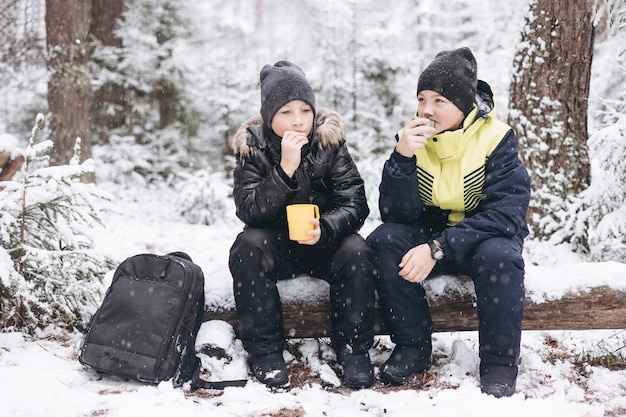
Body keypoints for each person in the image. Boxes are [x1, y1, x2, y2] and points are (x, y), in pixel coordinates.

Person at [366, 47, 531, 398]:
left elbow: (505, 214)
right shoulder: (413, 139)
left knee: (501, 258)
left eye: (439, 100)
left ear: (464, 103)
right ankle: (413, 346)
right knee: (383, 240)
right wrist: (401, 159)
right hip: (433, 234)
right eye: (422, 98)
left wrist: (438, 248)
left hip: (485, 237)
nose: (426, 109)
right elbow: (396, 217)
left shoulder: (496, 138)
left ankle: (500, 362)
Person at [229, 61, 376, 389]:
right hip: (277, 246)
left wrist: (325, 228)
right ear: (269, 116)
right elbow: (249, 211)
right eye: (286, 112)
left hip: (322, 243)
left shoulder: (328, 141)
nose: (298, 120)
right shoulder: (252, 147)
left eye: (304, 110)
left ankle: (353, 349)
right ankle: (266, 351)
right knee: (247, 245)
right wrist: (283, 171)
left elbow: (355, 203)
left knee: (358, 249)